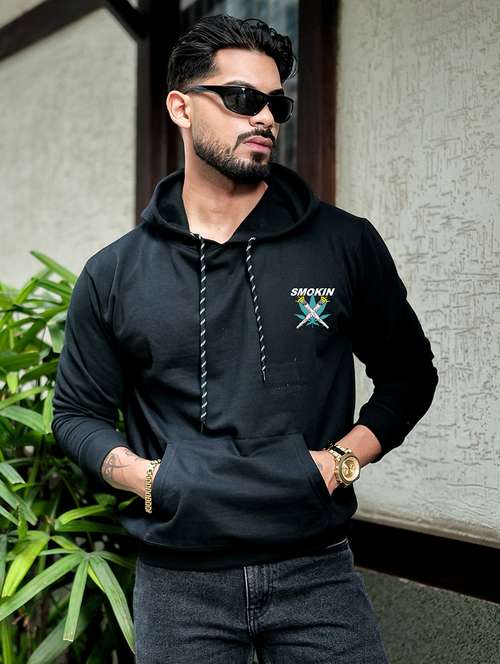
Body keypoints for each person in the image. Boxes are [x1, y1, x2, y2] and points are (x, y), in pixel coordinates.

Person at [52, 14, 438, 664]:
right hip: (178, 583)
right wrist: (148, 478)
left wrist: (339, 463)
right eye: (240, 98)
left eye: (275, 103)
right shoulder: (116, 272)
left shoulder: (343, 244)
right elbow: (75, 413)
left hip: (316, 571)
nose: (263, 116)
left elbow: (409, 374)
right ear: (180, 107)